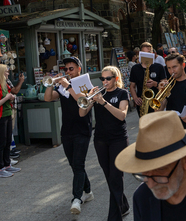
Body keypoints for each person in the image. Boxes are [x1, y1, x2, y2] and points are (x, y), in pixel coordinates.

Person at [79, 66, 130, 219]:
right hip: (100, 139)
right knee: (109, 177)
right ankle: (123, 205)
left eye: (108, 78)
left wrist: (103, 102)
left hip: (118, 139)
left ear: (116, 79)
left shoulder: (122, 93)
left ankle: (114, 217)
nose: (105, 81)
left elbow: (122, 115)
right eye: (102, 79)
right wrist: (89, 97)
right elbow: (82, 113)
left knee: (115, 177)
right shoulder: (98, 94)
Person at [44, 56, 93, 214]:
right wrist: (51, 84)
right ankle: (88, 190)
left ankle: (76, 199)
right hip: (67, 131)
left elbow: (82, 100)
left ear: (79, 69)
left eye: (71, 69)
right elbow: (48, 98)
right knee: (74, 165)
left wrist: (68, 85)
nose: (68, 72)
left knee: (78, 165)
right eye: (65, 69)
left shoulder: (85, 83)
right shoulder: (63, 86)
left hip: (82, 130)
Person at [0, 64, 21, 178]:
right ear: (1, 72)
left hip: (6, 115)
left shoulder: (4, 84)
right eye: (6, 71)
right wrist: (6, 98)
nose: (8, 73)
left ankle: (6, 164)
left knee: (6, 142)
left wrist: (10, 97)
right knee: (0, 143)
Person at [129, 42, 167, 117]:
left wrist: (155, 84)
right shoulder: (135, 68)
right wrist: (135, 98)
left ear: (152, 53)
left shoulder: (159, 67)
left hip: (157, 100)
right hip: (142, 102)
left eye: (149, 52)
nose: (147, 55)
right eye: (144, 53)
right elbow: (132, 86)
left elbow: (165, 83)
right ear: (140, 54)